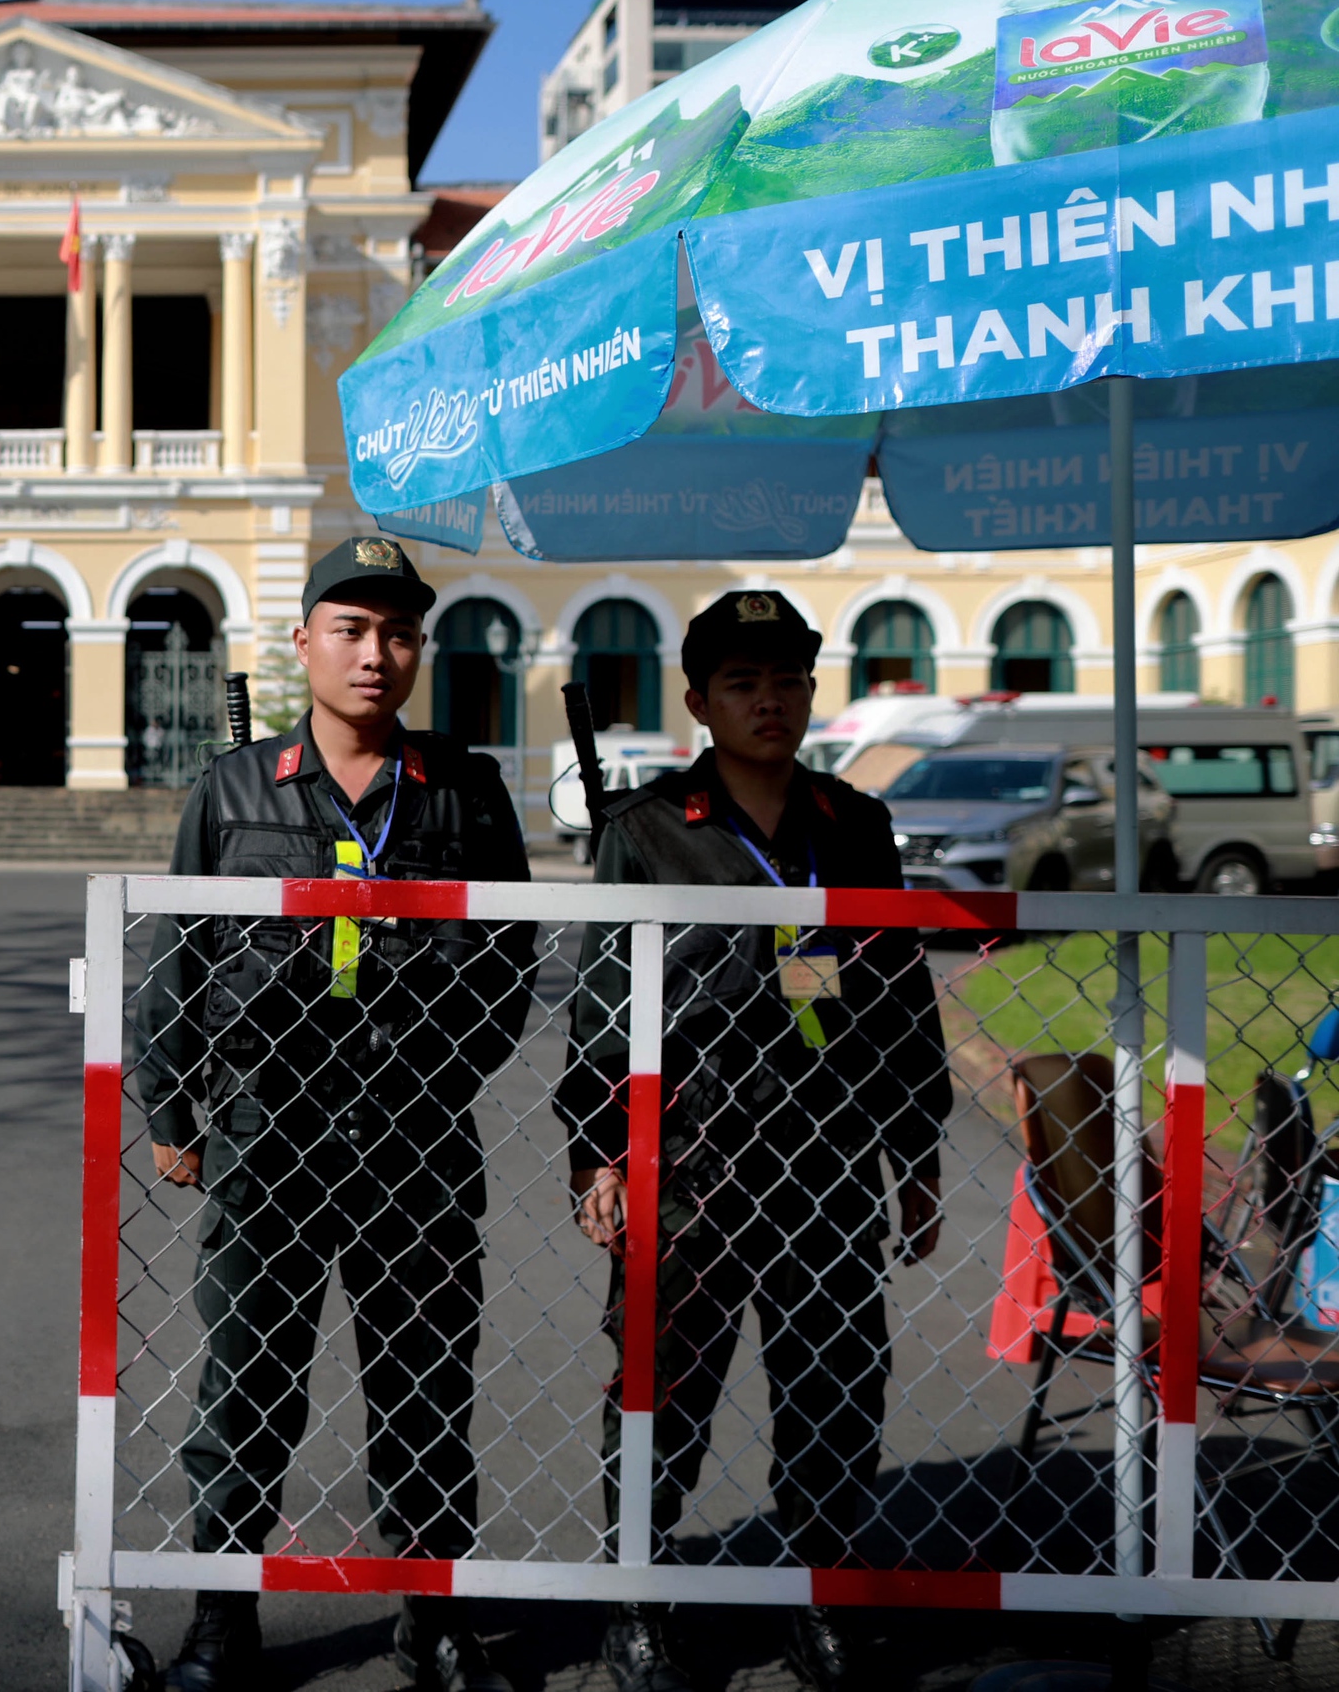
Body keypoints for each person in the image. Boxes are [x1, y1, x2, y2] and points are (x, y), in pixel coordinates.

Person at [131, 535, 539, 1692]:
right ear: (304, 641)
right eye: (352, 630)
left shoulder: (463, 789)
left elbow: (510, 964)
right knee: (248, 1383)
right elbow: (183, 950)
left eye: (399, 632)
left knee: (424, 1385)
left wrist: (442, 1069)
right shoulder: (235, 786)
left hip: (417, 1136)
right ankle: (224, 1618)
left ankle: (434, 1614)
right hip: (271, 1133)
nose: (376, 654)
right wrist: (172, 1097)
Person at [552, 589, 949, 1692]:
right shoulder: (645, 831)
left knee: (832, 1386)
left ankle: (820, 1590)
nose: (767, 701)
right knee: (659, 1387)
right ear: (698, 701)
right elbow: (598, 1001)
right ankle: (638, 1595)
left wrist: (913, 1155)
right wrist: (594, 1151)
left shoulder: (852, 828)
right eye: (740, 683)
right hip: (687, 1159)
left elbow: (900, 1000)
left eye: (785, 681)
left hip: (826, 1159)